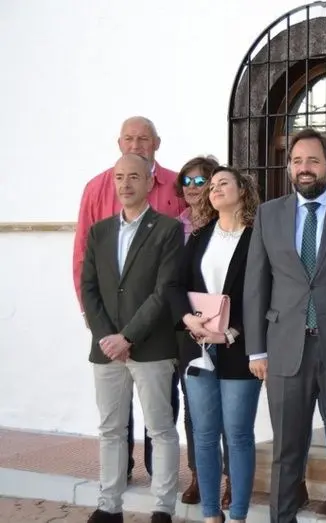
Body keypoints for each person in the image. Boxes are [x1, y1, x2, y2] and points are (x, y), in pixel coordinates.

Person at [243, 128, 326, 523]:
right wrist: (257, 350)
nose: (304, 168)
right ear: (289, 167)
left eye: (313, 161)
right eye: (297, 161)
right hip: (285, 350)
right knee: (286, 453)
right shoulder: (269, 214)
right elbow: (256, 285)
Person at [73, 116, 186, 480]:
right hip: (107, 328)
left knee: (161, 415)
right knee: (113, 421)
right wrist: (98, 324)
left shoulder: (176, 185)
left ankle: (159, 479)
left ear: (157, 143)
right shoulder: (96, 189)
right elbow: (83, 262)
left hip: (157, 328)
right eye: (128, 139)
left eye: (143, 139)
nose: (136, 145)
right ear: (118, 143)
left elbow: (170, 275)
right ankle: (116, 481)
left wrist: (135, 332)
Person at [169, 166, 262, 523]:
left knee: (238, 435)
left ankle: (237, 515)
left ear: (243, 190)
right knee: (205, 435)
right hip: (198, 349)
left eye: (224, 183)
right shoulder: (199, 237)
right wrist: (188, 319)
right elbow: (174, 285)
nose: (215, 188)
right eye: (212, 186)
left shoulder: (257, 239)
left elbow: (266, 294)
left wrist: (233, 332)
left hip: (239, 349)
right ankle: (210, 514)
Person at [173, 156, 232, 509]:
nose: (193, 188)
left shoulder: (225, 224)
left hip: (226, 328)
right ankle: (198, 475)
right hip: (188, 328)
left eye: (201, 181)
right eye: (188, 181)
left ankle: (230, 478)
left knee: (228, 408)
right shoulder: (174, 227)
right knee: (194, 408)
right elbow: (169, 282)